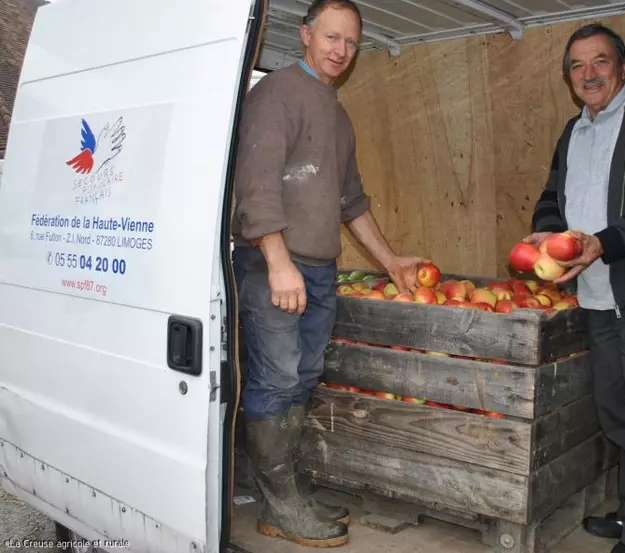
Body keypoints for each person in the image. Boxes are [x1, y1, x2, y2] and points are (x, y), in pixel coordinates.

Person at [230, 0, 428, 547]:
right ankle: (278, 504)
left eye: (351, 43)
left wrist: (390, 262)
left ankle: (284, 490)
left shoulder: (336, 114)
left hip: (318, 271)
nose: (341, 51)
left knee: (301, 377)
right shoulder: (275, 95)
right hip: (275, 267)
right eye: (331, 38)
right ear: (306, 35)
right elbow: (257, 187)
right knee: (275, 380)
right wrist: (277, 263)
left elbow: (351, 201)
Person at [524, 24, 625, 553]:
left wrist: (603, 244)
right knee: (617, 415)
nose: (588, 74)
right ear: (568, 78)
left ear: (624, 66)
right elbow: (552, 194)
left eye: (600, 62)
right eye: (576, 66)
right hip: (594, 299)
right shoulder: (574, 131)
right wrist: (547, 230)